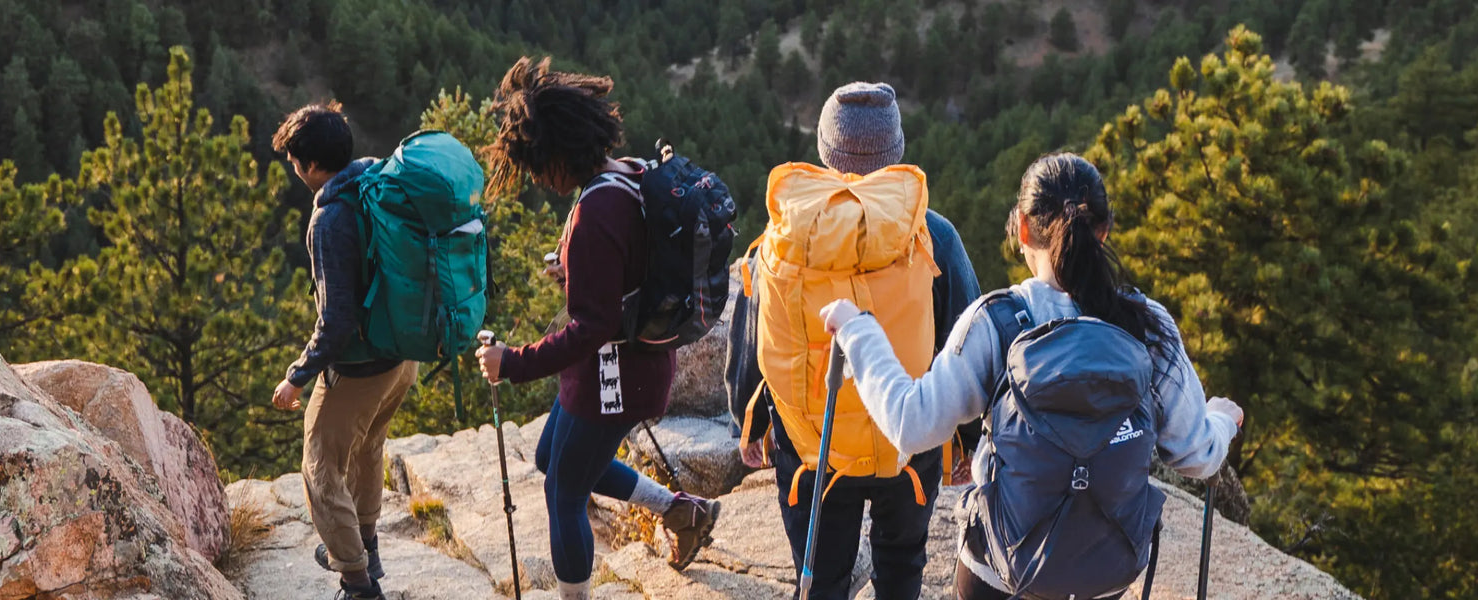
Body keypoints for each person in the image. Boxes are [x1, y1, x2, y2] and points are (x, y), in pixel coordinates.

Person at [818, 153, 1246, 600]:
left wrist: (858, 329)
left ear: (1022, 229)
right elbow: (1198, 455)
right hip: (1104, 574)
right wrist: (1217, 417)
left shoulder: (997, 322)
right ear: (1104, 230)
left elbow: (910, 424)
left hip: (999, 571)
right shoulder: (1147, 325)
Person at [473, 57, 720, 600]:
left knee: (563, 493)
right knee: (548, 459)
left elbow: (593, 327)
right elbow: (627, 264)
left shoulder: (594, 211)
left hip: (613, 377)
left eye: (537, 166)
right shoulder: (626, 171)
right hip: (623, 367)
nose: (538, 179)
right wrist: (574, 268)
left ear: (557, 153)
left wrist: (512, 362)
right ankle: (683, 511)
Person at [724, 81, 982, 600]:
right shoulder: (932, 234)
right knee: (901, 564)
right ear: (897, 154)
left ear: (823, 150)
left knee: (820, 572)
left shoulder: (787, 235)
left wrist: (747, 423)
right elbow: (967, 339)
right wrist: (969, 443)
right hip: (908, 440)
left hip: (812, 445)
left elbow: (755, 338)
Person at [268, 102, 413, 600]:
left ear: (310, 165)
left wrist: (297, 375)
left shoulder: (329, 219)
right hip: (402, 357)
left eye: (293, 161)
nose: (293, 169)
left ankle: (356, 582)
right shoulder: (373, 180)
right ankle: (365, 546)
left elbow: (335, 323)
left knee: (319, 467)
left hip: (361, 366)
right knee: (369, 447)